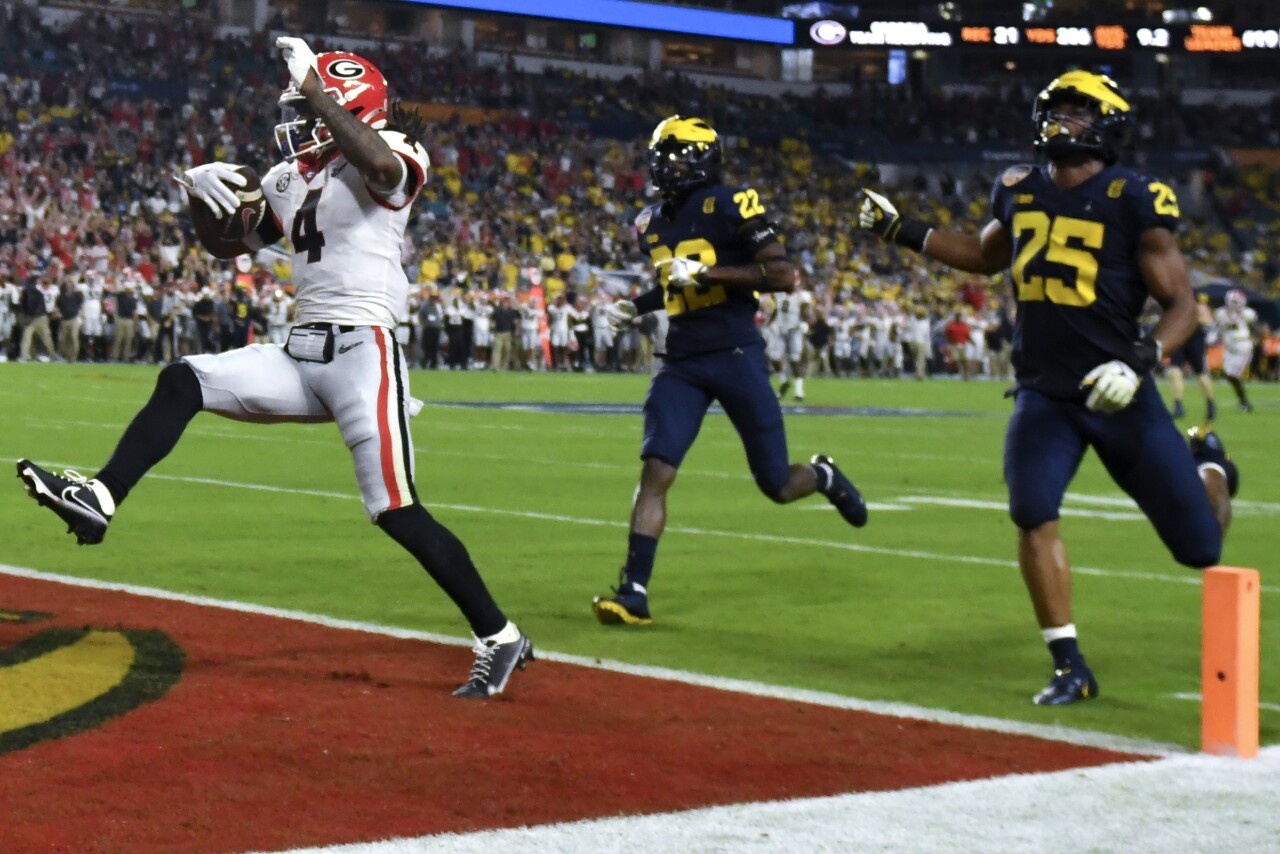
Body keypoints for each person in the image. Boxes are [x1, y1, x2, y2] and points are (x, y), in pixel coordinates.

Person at [16, 38, 531, 700]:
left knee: (395, 510)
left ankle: (500, 635)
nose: (299, 122)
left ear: (347, 107)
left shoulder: (397, 149)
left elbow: (377, 163)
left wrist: (318, 88)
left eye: (311, 108)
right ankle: (101, 496)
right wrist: (204, 197)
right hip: (299, 350)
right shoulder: (290, 178)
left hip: (362, 352)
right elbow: (228, 244)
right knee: (184, 379)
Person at [856, 71, 1238, 705]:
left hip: (1118, 391)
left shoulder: (1133, 196)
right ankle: (1069, 664)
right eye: (1055, 110)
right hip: (1044, 394)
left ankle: (1212, 466)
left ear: (1108, 125)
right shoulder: (1018, 187)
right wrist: (904, 229)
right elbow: (984, 256)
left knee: (1200, 549)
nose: (1062, 122)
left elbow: (1182, 305)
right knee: (1031, 509)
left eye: (1078, 113)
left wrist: (1140, 359)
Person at [591, 115, 869, 627]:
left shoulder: (732, 201)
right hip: (682, 361)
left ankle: (823, 475)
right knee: (657, 470)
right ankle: (633, 589)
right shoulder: (649, 220)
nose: (666, 163)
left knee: (777, 484)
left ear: (702, 158)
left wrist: (708, 271)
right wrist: (639, 304)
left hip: (735, 353)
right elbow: (678, 279)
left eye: (678, 153)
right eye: (662, 153)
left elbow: (781, 274)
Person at [1167, 293, 1216, 422]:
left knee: (1200, 373)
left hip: (1194, 338)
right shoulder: (1175, 303)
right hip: (1180, 338)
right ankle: (1178, 405)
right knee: (1174, 370)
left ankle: (1211, 403)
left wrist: (1193, 316)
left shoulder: (1198, 306)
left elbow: (1207, 321)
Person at [1214, 288, 1258, 413]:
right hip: (1229, 347)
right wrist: (1214, 337)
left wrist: (1255, 339)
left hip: (1242, 346)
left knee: (1234, 375)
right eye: (1232, 301)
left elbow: (1255, 326)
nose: (1234, 304)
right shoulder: (1220, 313)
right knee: (1229, 375)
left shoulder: (1247, 313)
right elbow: (1219, 328)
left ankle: (1244, 403)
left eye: (1236, 301)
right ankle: (1244, 401)